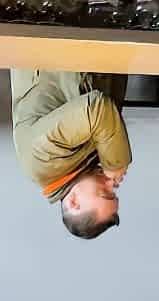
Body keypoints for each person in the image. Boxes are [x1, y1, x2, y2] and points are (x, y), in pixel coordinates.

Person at [10, 70, 132, 239]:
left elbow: (97, 109)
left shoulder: (41, 159)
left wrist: (116, 163)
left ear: (73, 202)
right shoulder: (83, 164)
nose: (111, 184)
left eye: (105, 193)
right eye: (114, 192)